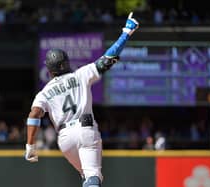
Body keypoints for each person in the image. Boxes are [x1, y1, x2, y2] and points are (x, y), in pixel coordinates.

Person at [24, 12, 139, 187]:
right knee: (93, 177)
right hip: (85, 129)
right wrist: (126, 32)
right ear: (67, 63)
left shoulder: (44, 92)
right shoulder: (81, 75)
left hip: (65, 139)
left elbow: (34, 114)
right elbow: (108, 60)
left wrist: (30, 146)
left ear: (49, 70)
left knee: (88, 177)